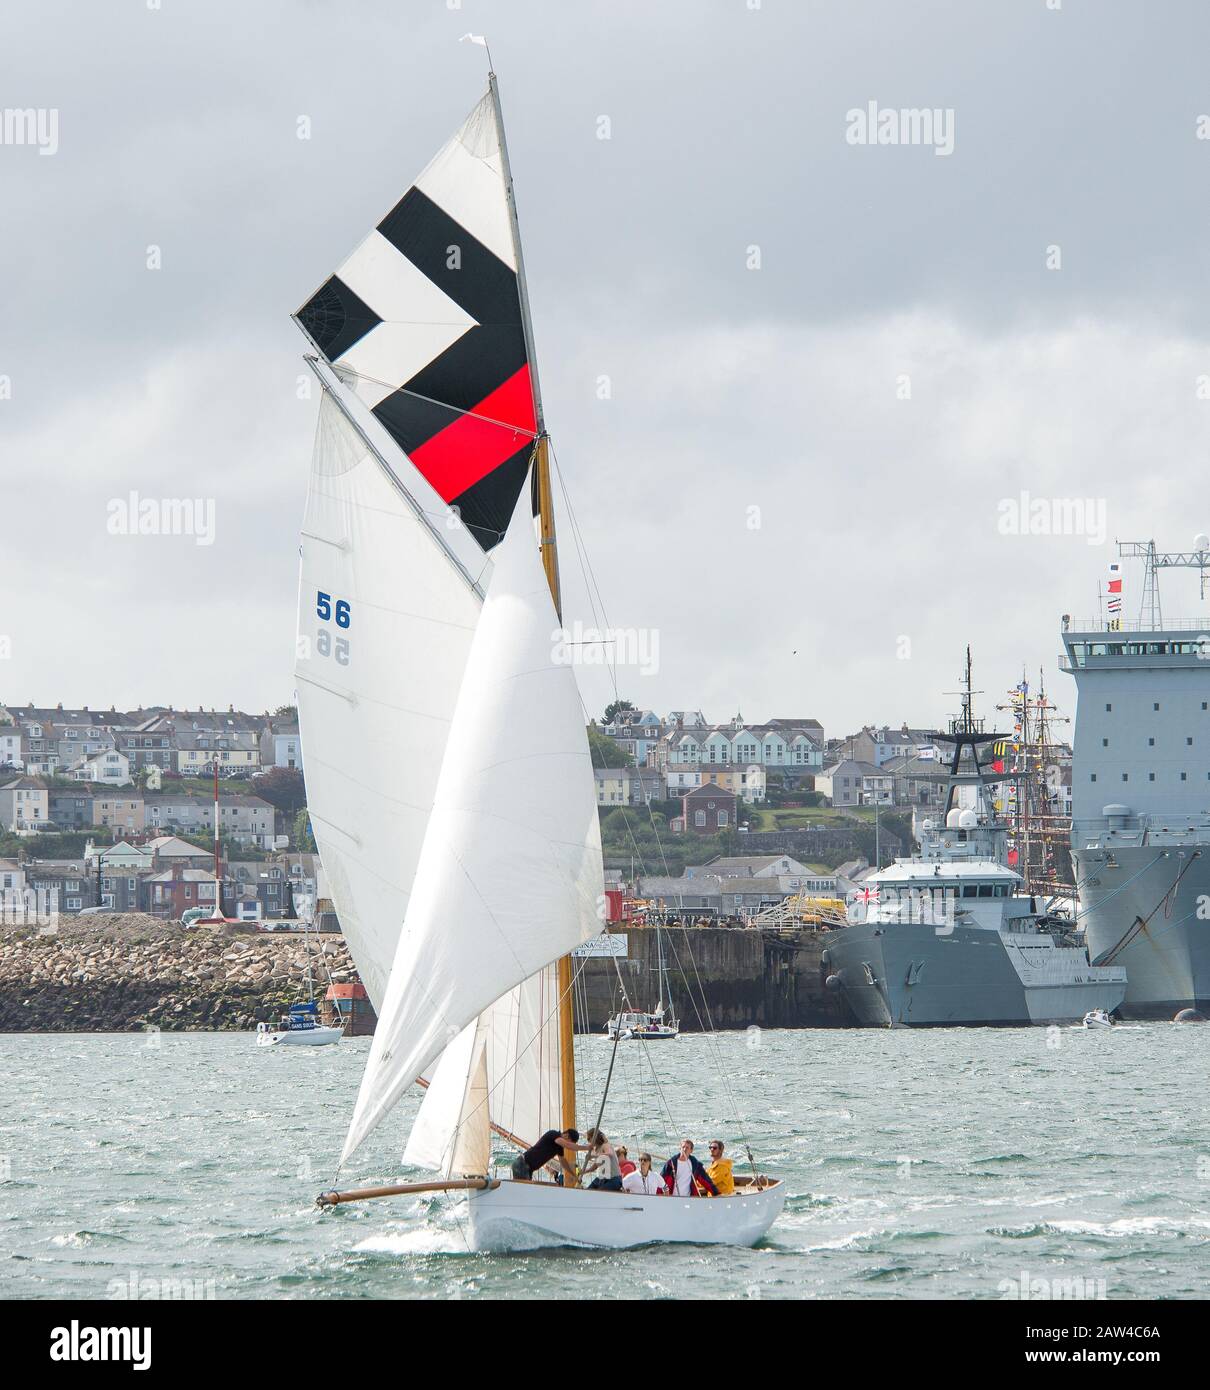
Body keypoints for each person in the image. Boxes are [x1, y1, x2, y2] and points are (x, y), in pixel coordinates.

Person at [511, 1127, 586, 1184]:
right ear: (566, 1136)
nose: (567, 1146)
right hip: (522, 1164)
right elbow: (568, 1145)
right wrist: (587, 1147)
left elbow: (563, 1162)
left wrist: (573, 1174)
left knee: (525, 1190)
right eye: (570, 1142)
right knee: (524, 1191)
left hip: (528, 1168)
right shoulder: (554, 1134)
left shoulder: (559, 1147)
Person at [582, 1127, 624, 1191]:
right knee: (588, 1192)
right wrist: (583, 1172)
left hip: (614, 1179)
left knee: (599, 1194)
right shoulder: (597, 1150)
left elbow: (610, 1154)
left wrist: (593, 1156)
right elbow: (594, 1167)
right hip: (601, 1179)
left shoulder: (605, 1145)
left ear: (594, 1137)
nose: (588, 1141)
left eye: (588, 1139)